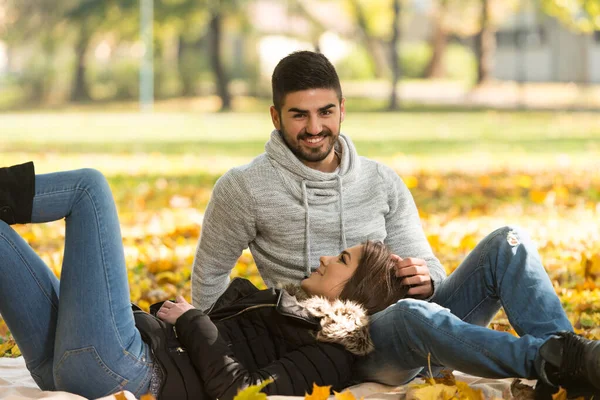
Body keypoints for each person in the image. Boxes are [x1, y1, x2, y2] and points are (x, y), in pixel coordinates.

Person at [191, 50, 600, 398]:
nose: (315, 128)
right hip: (339, 347)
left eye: (325, 112)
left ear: (342, 109)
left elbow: (431, 268)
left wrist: (428, 280)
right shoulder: (242, 189)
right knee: (409, 314)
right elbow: (209, 292)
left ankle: (568, 369)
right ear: (275, 116)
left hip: (415, 318)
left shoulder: (380, 181)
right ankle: (563, 361)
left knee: (507, 243)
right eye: (299, 115)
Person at [0, 162, 408, 399]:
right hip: (71, 364)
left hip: (126, 371)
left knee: (89, 189)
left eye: (341, 259)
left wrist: (193, 321)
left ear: (357, 291)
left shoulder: (330, 356)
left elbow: (242, 392)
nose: (324, 258)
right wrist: (165, 318)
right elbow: (197, 342)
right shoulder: (286, 305)